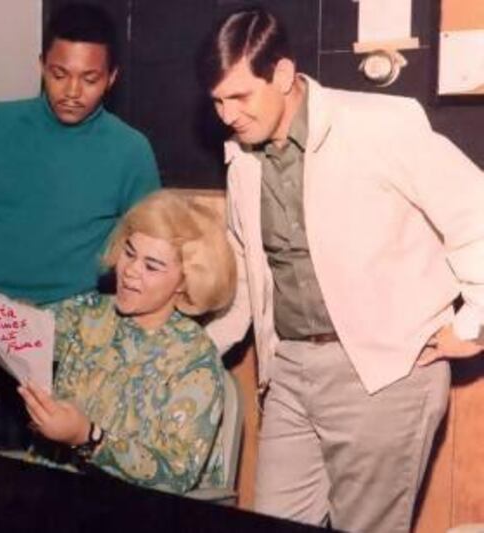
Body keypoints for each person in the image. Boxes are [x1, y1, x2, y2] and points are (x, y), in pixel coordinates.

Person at [201, 7, 484, 533]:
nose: (227, 115)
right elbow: (252, 275)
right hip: (288, 373)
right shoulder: (242, 154)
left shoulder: (381, 124)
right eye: (217, 101)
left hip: (384, 375)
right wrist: (195, 345)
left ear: (283, 76)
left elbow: (477, 211)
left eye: (240, 96)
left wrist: (472, 326)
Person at [0, 3, 160, 451]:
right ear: (41, 66)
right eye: (58, 74)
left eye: (89, 79)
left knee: (57, 488)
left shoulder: (131, 151)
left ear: (112, 78)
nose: (71, 91)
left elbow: (148, 255)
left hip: (70, 342)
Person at [14, 190, 236, 494]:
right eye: (129, 253)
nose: (130, 271)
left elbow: (177, 474)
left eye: (152, 266)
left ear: (185, 282)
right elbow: (24, 332)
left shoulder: (194, 358)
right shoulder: (90, 313)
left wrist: (88, 436)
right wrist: (5, 321)